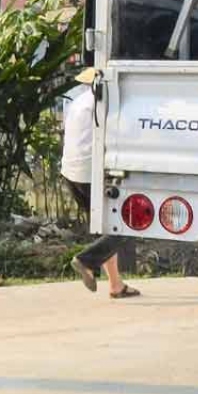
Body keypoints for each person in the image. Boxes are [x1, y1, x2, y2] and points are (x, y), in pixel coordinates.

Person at [60, 73, 139, 299]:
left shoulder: (78, 101)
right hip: (89, 174)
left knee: (106, 228)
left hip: (71, 172)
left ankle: (115, 285)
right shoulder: (104, 103)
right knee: (125, 225)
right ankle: (86, 260)